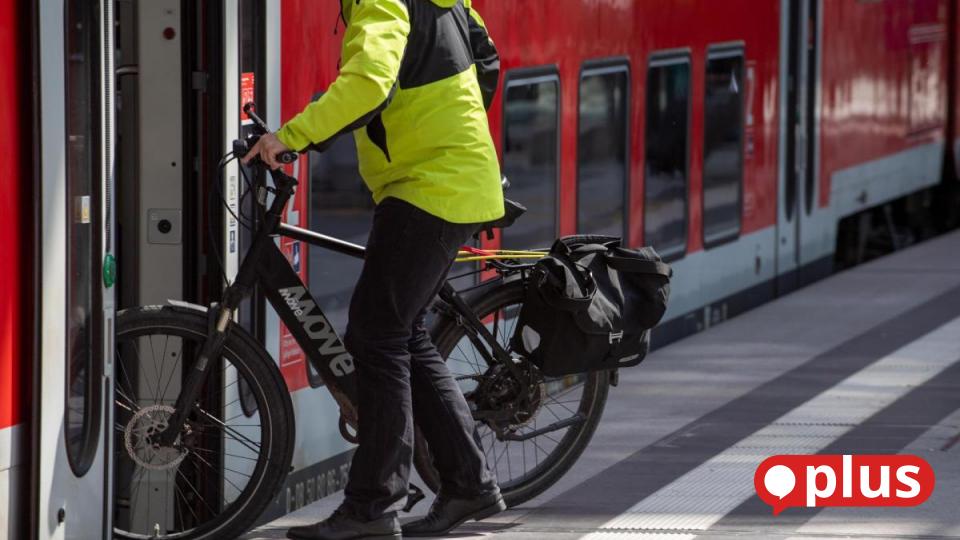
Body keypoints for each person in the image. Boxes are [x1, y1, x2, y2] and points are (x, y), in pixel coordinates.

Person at [243, 1, 505, 539]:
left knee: (376, 333)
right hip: (449, 178)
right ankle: (469, 484)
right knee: (400, 333)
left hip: (430, 187)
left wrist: (290, 137)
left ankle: (373, 506)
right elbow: (488, 63)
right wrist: (449, 136)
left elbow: (367, 83)